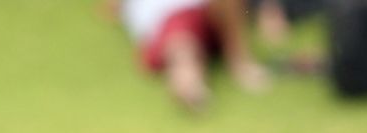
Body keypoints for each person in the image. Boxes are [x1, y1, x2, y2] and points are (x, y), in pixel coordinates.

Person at [114, 0, 270, 112]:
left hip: (173, 19)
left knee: (181, 48)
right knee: (181, 50)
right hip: (171, 19)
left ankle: (240, 60)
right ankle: (239, 61)